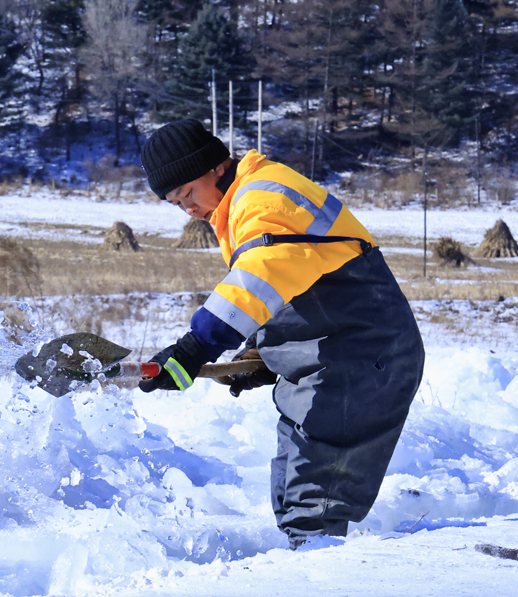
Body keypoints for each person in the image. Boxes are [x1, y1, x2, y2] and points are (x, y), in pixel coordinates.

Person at [138, 118, 425, 549]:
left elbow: (260, 276)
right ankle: (305, 572)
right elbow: (294, 284)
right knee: (291, 493)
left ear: (215, 166)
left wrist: (194, 347)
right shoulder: (241, 205)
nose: (189, 210)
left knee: (314, 505)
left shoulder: (261, 198)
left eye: (188, 194)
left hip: (360, 356)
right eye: (176, 204)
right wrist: (263, 351)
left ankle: (319, 586)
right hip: (328, 360)